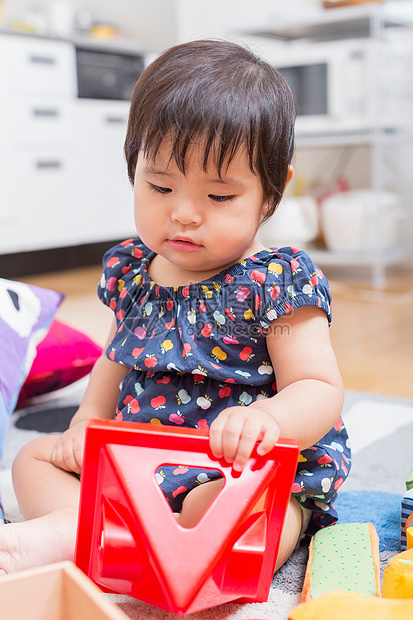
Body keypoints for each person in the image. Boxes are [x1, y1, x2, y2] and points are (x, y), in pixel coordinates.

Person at [0, 39, 350, 576]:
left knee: (243, 515)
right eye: (160, 185)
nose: (184, 214)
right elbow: (115, 359)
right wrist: (87, 423)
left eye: (219, 197)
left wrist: (265, 422)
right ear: (133, 169)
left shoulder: (276, 280)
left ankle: (179, 546)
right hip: (138, 460)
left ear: (271, 194)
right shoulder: (132, 270)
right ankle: (75, 528)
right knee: (34, 458)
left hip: (232, 467)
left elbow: (319, 388)